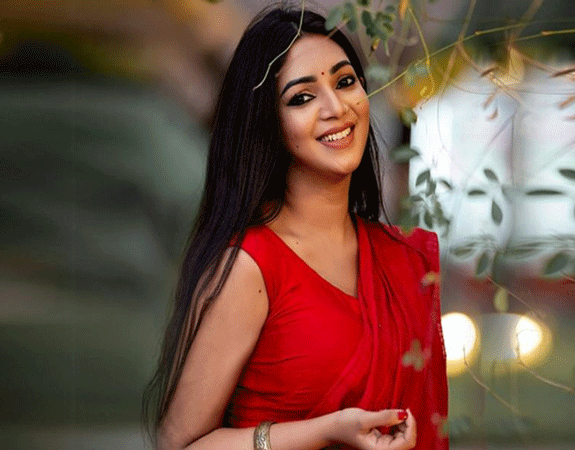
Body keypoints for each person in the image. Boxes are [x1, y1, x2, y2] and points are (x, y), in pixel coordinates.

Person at [143, 6, 448, 450]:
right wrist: (324, 431)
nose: (335, 107)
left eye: (345, 82)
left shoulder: (405, 261)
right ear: (268, 122)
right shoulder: (251, 265)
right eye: (302, 97)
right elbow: (180, 444)